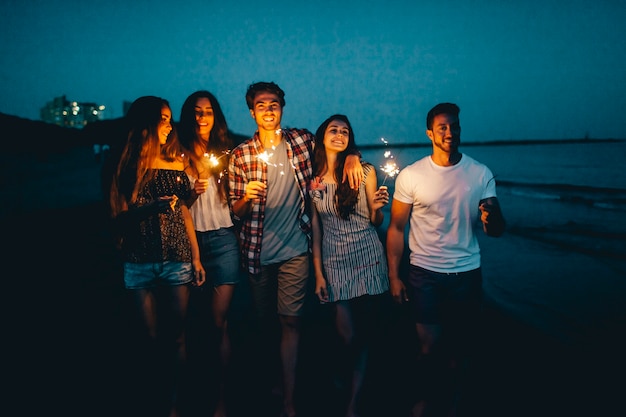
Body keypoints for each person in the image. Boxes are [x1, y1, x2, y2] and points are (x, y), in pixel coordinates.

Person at [228, 82, 363, 417]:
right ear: (252, 111)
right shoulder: (241, 155)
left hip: (296, 250)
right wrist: (248, 196)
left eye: (274, 104)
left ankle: (289, 401)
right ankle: (275, 377)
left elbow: (336, 146)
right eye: (261, 105)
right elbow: (235, 211)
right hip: (257, 251)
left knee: (291, 323)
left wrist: (352, 158)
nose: (269, 110)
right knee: (266, 324)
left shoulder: (302, 140)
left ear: (282, 107)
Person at [386, 102, 505, 417]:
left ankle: (451, 406)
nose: (450, 132)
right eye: (442, 127)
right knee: (429, 348)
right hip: (425, 273)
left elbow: (496, 228)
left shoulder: (480, 173)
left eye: (454, 126)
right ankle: (425, 401)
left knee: (460, 351)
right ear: (430, 133)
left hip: (466, 273)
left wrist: (491, 217)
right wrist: (394, 276)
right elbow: (396, 228)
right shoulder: (412, 175)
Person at [109, 95, 206, 417]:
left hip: (178, 258)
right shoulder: (124, 164)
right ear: (147, 122)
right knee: (149, 339)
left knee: (177, 337)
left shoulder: (176, 163)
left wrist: (196, 258)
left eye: (168, 118)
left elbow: (186, 214)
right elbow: (118, 216)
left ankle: (175, 405)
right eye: (162, 118)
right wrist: (150, 208)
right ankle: (153, 399)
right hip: (138, 260)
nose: (169, 125)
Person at [310, 114, 390, 417]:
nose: (340, 135)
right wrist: (318, 273)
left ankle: (353, 402)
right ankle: (342, 373)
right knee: (347, 336)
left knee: (364, 334)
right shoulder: (315, 180)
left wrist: (379, 208)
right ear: (323, 137)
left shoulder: (366, 171)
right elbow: (316, 229)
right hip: (334, 262)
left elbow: (376, 220)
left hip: (369, 257)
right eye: (334, 130)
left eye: (345, 131)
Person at [178, 90, 240, 417]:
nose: (203, 117)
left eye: (209, 111)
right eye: (197, 112)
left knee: (219, 323)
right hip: (191, 240)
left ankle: (220, 400)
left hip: (225, 239)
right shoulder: (177, 152)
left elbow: (236, 198)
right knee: (190, 323)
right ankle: (190, 392)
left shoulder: (225, 152)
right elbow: (179, 205)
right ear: (189, 115)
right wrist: (190, 193)